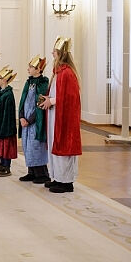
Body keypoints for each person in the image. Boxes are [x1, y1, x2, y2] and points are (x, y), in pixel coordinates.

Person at [39, 37, 82, 194]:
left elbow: (70, 97)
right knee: (53, 144)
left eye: (55, 51)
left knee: (63, 146)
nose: (52, 53)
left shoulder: (67, 74)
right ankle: (57, 177)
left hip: (63, 117)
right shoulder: (58, 72)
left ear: (61, 54)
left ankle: (66, 182)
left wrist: (53, 101)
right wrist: (48, 99)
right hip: (55, 114)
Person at [18, 55, 50, 183]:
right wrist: (21, 116)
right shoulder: (29, 82)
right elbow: (23, 100)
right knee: (27, 145)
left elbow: (39, 104)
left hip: (35, 122)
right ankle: (31, 171)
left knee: (36, 146)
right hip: (26, 121)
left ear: (38, 69)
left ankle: (42, 174)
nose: (28, 69)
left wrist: (30, 120)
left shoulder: (43, 83)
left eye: (31, 67)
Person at [0, 65, 18, 177]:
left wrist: (3, 127)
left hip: (5, 125)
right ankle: (1, 165)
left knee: (6, 146)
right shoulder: (0, 93)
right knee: (1, 145)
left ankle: (7, 167)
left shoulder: (8, 94)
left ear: (4, 80)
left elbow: (8, 113)